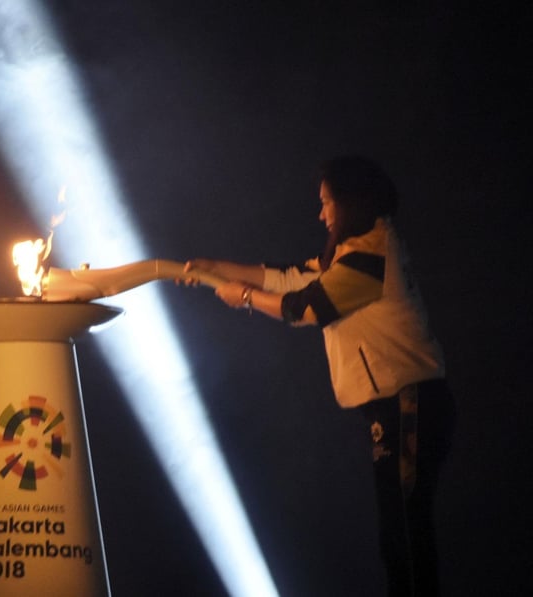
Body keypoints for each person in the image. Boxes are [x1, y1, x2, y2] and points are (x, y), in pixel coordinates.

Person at [182, 155, 455, 597]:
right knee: (400, 532)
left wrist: (246, 298)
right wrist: (215, 269)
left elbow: (306, 307)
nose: (321, 213)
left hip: (411, 405)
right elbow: (290, 279)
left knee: (403, 532)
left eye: (327, 202)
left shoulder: (368, 255)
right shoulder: (353, 253)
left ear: (351, 202)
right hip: (403, 406)